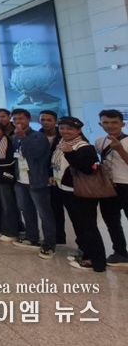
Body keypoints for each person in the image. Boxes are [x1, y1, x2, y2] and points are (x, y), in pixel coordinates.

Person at [51, 117, 107, 272]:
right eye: (62, 128)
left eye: (69, 129)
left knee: (88, 227)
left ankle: (97, 262)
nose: (65, 131)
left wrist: (70, 154)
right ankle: (85, 253)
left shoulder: (84, 147)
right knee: (79, 226)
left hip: (81, 193)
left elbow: (87, 169)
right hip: (66, 190)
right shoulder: (62, 143)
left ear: (78, 130)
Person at [11, 108, 56, 259]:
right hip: (21, 180)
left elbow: (35, 154)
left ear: (28, 119)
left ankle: (49, 243)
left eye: (21, 119)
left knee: (44, 214)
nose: (18, 122)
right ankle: (32, 237)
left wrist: (24, 138)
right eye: (15, 119)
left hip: (37, 180)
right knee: (26, 210)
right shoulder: (14, 137)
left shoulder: (38, 136)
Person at [95, 109, 128, 267]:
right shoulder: (100, 142)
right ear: (100, 124)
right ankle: (120, 253)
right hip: (108, 187)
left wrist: (120, 149)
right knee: (112, 221)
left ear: (122, 124)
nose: (110, 125)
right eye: (106, 122)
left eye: (114, 122)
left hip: (126, 185)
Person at [39, 111, 66, 246]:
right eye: (43, 120)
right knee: (47, 209)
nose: (45, 122)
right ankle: (52, 236)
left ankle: (60, 237)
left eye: (49, 120)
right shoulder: (37, 135)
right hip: (42, 176)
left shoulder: (63, 135)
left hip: (61, 178)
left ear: (55, 121)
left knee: (58, 208)